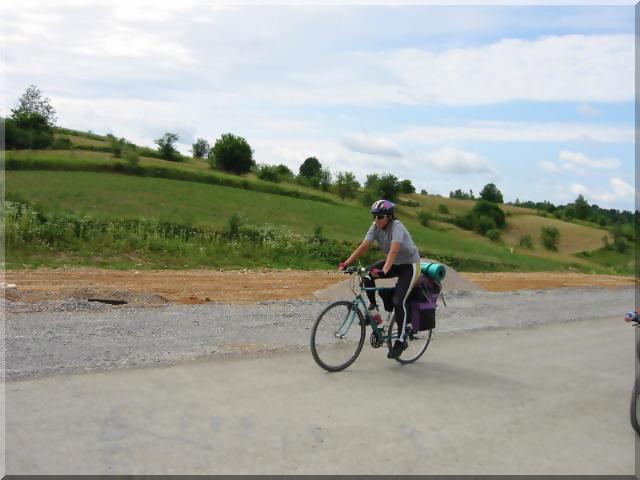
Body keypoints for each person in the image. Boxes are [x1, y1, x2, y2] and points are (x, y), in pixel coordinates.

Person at [339, 199, 421, 359]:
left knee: (398, 301)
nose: (377, 220)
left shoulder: (397, 227)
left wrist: (384, 271)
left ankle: (401, 340)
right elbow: (364, 245)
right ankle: (373, 310)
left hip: (410, 266)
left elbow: (394, 251)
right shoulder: (375, 226)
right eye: (374, 216)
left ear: (389, 217)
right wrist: (347, 263)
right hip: (394, 263)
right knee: (366, 274)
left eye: (380, 217)